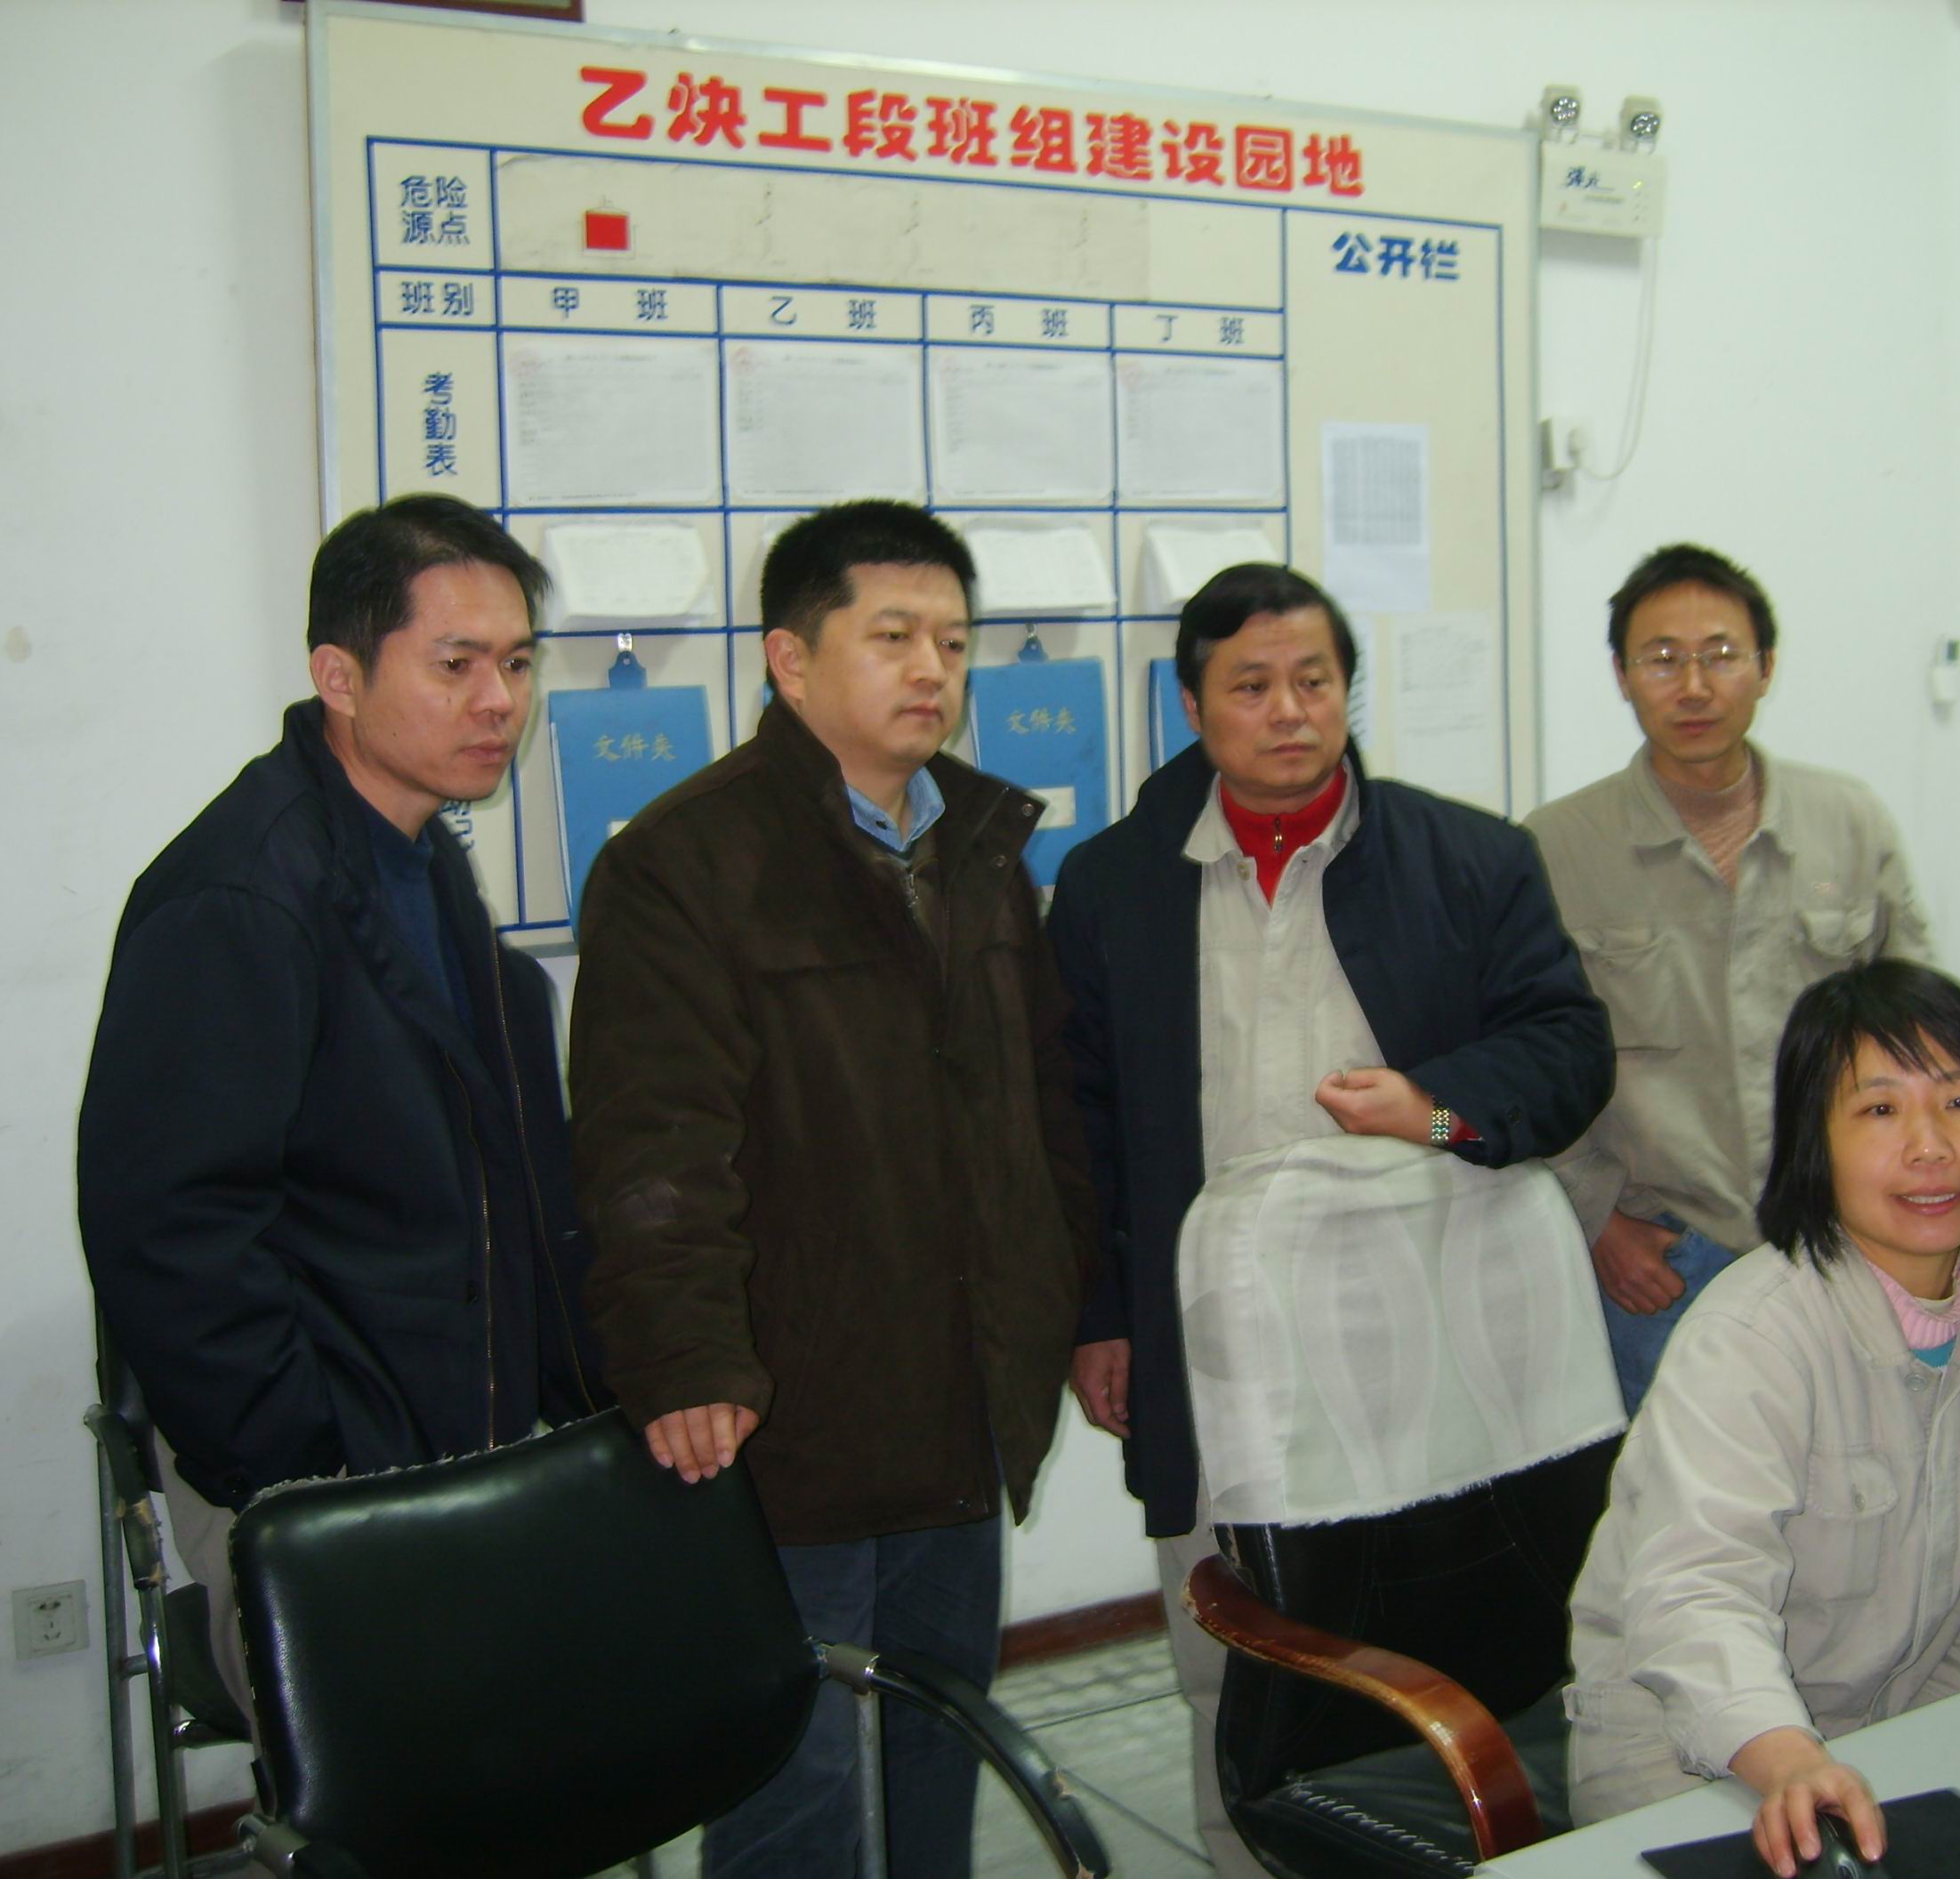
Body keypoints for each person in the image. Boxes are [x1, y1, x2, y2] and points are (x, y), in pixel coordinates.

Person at [1047, 563, 1614, 1875]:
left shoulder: (1469, 858)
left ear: (1348, 691)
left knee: (1448, 1650)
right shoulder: (1112, 886)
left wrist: (1432, 1106)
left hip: (1433, 1345)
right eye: (1250, 685)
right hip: (1215, 1352)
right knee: (1235, 1667)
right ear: (1193, 704)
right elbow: (1074, 1124)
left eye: (1314, 680)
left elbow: (1568, 1048)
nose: (1289, 710)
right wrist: (1098, 1317)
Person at [568, 500, 1096, 1879]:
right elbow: (652, 1142)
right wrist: (687, 1356)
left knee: (937, 1750)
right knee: (792, 1793)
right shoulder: (684, 862)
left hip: (960, 1397)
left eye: (955, 642)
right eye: (895, 635)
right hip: (783, 1417)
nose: (934, 669)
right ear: (790, 661)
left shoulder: (978, 847)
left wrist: (1075, 1307)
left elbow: (1042, 1105)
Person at [77, 495, 602, 1714]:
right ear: (340, 677)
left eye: (517, 663)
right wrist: (308, 1471)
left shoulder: (420, 861)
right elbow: (170, 1232)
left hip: (454, 1455)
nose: (499, 701)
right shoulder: (243, 896)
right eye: (455, 664)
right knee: (407, 1791)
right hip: (328, 1489)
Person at [1565, 960, 1960, 1877]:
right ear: (1813, 1144)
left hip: (1885, 1748)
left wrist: (1946, 1758)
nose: (1930, 1146)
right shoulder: (1752, 1335)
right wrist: (1791, 1760)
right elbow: (1694, 1594)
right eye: (1880, 1109)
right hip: (1694, 1757)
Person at [1526, 544, 1931, 1413]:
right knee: (1672, 1492)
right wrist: (1594, 1217)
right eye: (1661, 659)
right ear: (1621, 675)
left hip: (1842, 1240)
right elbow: (1516, 1062)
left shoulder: (1847, 822)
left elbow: (1922, 1041)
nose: (1693, 686)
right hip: (1662, 1258)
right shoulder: (1556, 847)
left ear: (1765, 667)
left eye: (1719, 655)